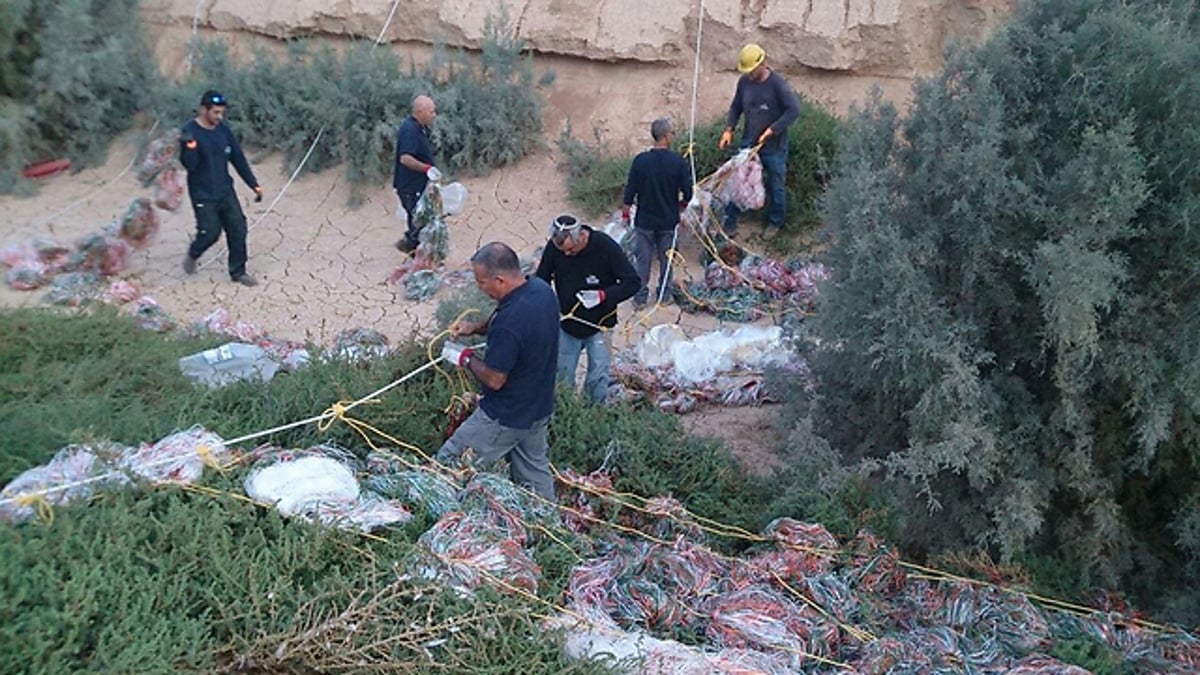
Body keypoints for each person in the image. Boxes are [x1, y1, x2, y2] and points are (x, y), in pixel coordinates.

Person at [436, 242, 560, 500]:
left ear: (500, 279)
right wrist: (475, 328)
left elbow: (495, 379)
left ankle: (440, 517)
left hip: (504, 416)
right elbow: (513, 330)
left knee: (450, 462)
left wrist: (464, 357)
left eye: (481, 282)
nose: (480, 288)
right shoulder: (541, 290)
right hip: (537, 409)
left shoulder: (510, 322)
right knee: (534, 474)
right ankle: (548, 525)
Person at [535, 214, 640, 403]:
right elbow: (542, 279)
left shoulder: (605, 247)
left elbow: (632, 282)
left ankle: (593, 413)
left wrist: (603, 296)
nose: (567, 255)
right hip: (568, 324)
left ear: (582, 236)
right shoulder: (555, 249)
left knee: (597, 377)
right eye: (563, 251)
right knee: (562, 377)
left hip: (601, 325)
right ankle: (564, 413)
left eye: (571, 250)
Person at [179, 90, 264, 286]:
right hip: (203, 193)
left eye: (221, 113)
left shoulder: (223, 130)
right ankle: (193, 253)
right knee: (210, 232)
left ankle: (238, 272)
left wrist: (253, 184)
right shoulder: (190, 132)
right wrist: (190, 148)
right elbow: (189, 166)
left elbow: (238, 158)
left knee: (238, 228)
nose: (219, 117)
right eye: (215, 112)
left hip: (225, 190)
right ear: (203, 110)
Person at [718, 44, 801, 237]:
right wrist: (729, 129)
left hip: (774, 147)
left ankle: (775, 222)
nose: (749, 75)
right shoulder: (744, 82)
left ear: (762, 64)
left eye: (751, 70)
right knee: (737, 181)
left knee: (775, 185)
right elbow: (736, 107)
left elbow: (793, 111)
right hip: (749, 142)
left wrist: (773, 130)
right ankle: (730, 223)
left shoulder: (778, 85)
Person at [621, 118, 693, 307]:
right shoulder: (677, 162)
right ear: (667, 135)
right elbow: (689, 191)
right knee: (667, 259)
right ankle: (664, 295)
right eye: (672, 133)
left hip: (645, 220)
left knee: (643, 261)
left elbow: (630, 190)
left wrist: (626, 210)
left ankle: (640, 297)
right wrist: (682, 204)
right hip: (668, 220)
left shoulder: (640, 161)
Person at [393, 94, 441, 253]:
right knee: (418, 224)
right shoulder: (410, 130)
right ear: (420, 111)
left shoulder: (418, 128)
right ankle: (413, 253)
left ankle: (412, 247)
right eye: (431, 112)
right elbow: (405, 158)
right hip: (410, 187)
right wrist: (427, 169)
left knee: (418, 221)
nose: (434, 115)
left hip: (417, 186)